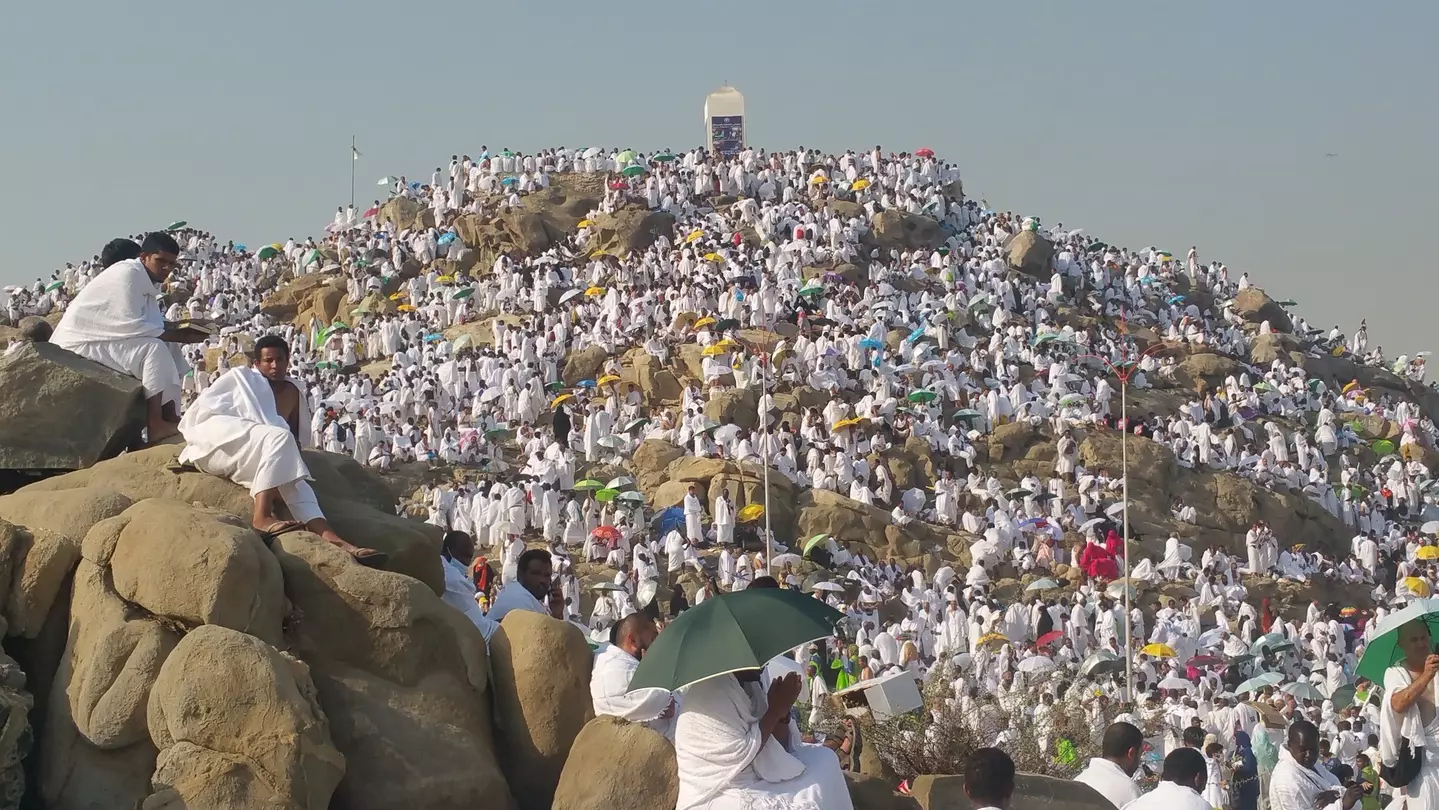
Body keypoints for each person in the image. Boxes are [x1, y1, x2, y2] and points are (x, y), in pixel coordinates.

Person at [177, 335, 386, 565]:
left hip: (259, 448)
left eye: (279, 360)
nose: (274, 366)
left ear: (288, 361)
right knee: (279, 437)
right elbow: (201, 413)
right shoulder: (241, 379)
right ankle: (261, 517)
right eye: (268, 361)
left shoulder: (293, 392)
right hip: (219, 443)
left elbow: (294, 440)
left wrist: (283, 471)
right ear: (256, 363)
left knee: (297, 482)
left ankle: (340, 544)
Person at [52, 232, 194, 441]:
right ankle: (156, 425)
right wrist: (181, 334)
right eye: (160, 261)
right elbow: (131, 324)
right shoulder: (129, 274)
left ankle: (170, 414)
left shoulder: (145, 279)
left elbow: (151, 322)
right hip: (78, 345)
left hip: (103, 339)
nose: (166, 268)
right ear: (144, 256)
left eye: (171, 264)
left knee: (168, 344)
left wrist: (188, 328)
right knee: (153, 349)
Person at [673, 663, 852, 810]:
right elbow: (740, 752)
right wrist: (774, 711)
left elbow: (779, 745)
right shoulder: (710, 692)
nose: (763, 666)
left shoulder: (752, 681)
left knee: (825, 759)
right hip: (719, 790)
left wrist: (782, 711)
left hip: (755, 773)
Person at [1381, 617, 1439, 810]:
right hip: (1424, 766)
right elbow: (1398, 704)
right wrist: (1426, 676)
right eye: (1414, 640)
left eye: (1423, 637)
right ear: (1402, 644)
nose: (1421, 643)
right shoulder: (1395, 673)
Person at [590, 613, 676, 735]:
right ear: (633, 640)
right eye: (653, 639)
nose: (657, 644)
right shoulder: (620, 671)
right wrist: (652, 667)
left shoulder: (615, 660)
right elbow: (669, 706)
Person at [1269, 720, 1362, 810]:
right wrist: (1341, 804)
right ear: (1289, 745)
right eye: (1303, 750)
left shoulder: (1312, 765)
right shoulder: (1287, 780)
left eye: (1313, 750)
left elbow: (1334, 784)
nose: (1309, 755)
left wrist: (1336, 794)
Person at [439, 530, 498, 640]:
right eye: (465, 556)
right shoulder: (452, 577)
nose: (467, 562)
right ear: (449, 551)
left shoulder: (443, 564)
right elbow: (481, 628)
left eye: (469, 558)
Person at [1074, 722, 1144, 809]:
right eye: (1140, 754)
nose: (1140, 761)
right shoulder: (1129, 791)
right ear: (1131, 753)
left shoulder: (1078, 780)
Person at [489, 548, 563, 623]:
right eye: (536, 574)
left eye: (547, 575)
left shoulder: (526, 597)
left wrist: (557, 615)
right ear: (520, 575)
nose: (542, 580)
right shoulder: (520, 601)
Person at [1123, 748, 1211, 810]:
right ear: (1199, 778)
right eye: (1205, 782)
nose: (1203, 789)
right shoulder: (1200, 806)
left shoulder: (1133, 806)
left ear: (1162, 776)